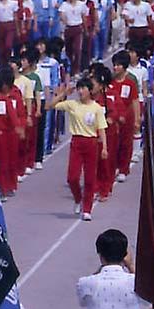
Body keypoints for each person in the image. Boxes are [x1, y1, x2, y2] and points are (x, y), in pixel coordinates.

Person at [48, 78, 108, 221]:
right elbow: (50, 106)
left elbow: (102, 129)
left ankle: (87, 209)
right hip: (76, 142)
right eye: (79, 89)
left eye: (83, 89)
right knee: (72, 178)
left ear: (90, 91)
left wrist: (104, 147)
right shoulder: (72, 104)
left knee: (89, 178)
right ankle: (78, 199)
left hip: (91, 143)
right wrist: (63, 93)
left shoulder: (97, 108)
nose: (80, 91)